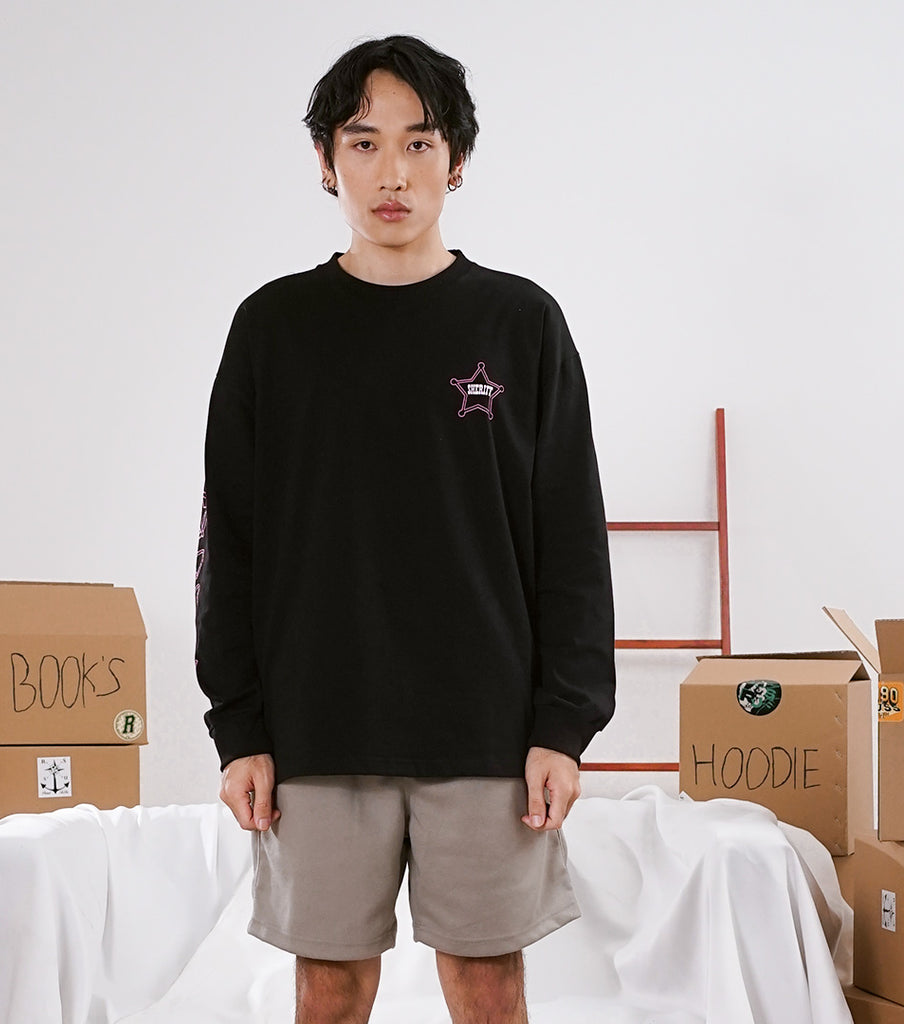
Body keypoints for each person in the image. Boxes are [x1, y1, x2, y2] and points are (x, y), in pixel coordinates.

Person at [195, 33, 616, 1024]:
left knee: (488, 984)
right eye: (364, 142)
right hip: (316, 723)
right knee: (330, 990)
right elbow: (229, 541)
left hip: (486, 727)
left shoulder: (521, 323)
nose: (392, 173)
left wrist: (563, 725)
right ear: (326, 160)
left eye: (419, 143)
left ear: (455, 159)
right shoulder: (273, 328)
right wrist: (239, 729)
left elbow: (570, 538)